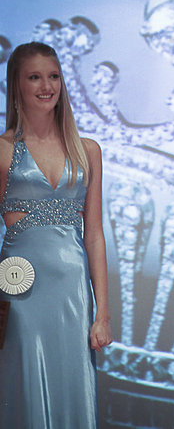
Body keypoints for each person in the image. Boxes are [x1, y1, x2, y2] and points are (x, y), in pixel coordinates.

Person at [0, 42, 112, 428]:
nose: (46, 86)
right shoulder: (1, 152)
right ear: (16, 85)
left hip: (73, 295)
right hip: (19, 291)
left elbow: (95, 235)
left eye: (53, 76)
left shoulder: (87, 151)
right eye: (34, 77)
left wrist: (103, 313)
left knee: (71, 388)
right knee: (23, 388)